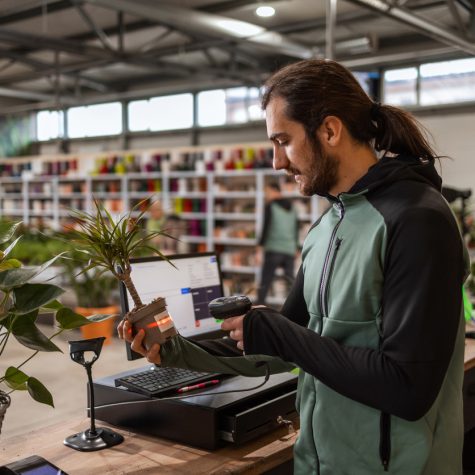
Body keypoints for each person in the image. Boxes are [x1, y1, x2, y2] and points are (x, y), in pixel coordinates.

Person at [119, 59, 469, 474]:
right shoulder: (327, 226)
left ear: (330, 130)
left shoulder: (416, 219)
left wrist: (280, 333)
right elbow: (285, 349)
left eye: (283, 141)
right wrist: (174, 350)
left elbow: (409, 388)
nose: (276, 162)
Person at [257, 181, 299, 304]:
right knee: (291, 283)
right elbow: (295, 228)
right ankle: (295, 308)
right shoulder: (292, 207)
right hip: (289, 249)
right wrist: (296, 247)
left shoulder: (270, 206)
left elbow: (265, 228)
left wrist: (259, 249)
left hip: (274, 249)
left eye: (267, 192)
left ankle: (258, 308)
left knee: (265, 281)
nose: (266, 195)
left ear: (274, 191)